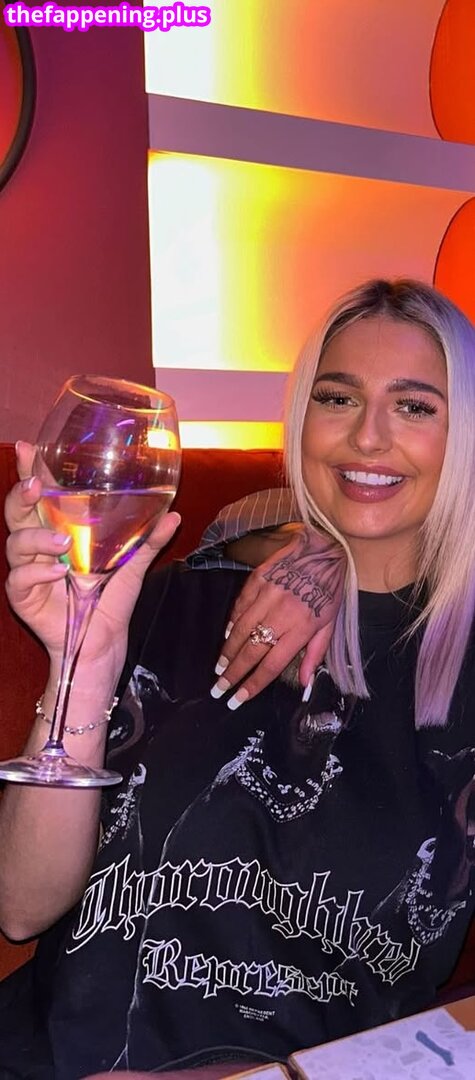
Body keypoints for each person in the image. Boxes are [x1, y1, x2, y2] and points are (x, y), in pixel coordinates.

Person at [1, 278, 475, 1080]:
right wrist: (83, 661)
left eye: (414, 407)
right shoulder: (171, 599)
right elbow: (20, 906)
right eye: (337, 397)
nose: (366, 437)